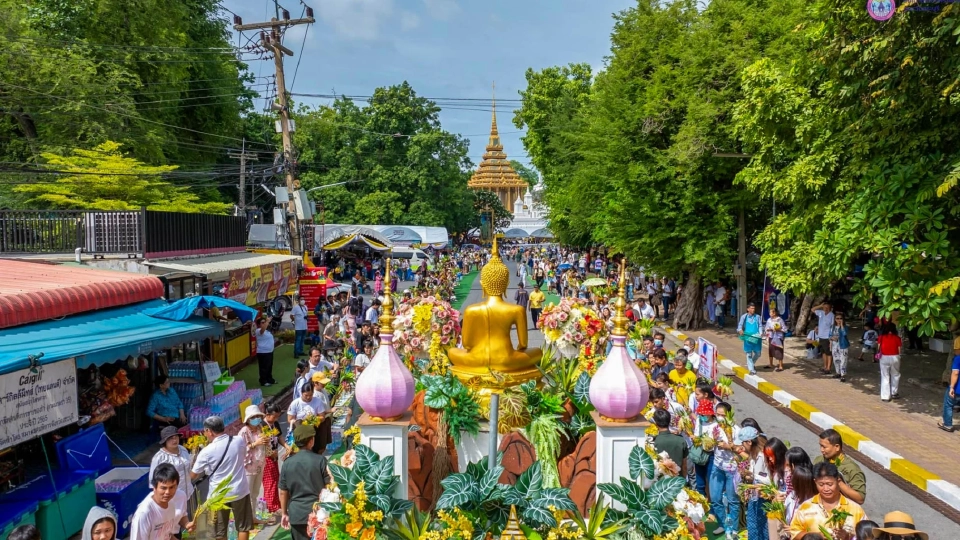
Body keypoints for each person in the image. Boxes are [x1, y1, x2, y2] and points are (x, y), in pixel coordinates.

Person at [190, 416, 253, 540]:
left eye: (205, 431)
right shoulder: (238, 440)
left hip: (218, 495)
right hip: (240, 490)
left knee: (219, 531)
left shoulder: (206, 451)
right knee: (243, 526)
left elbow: (193, 475)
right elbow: (243, 454)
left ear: (209, 431)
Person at [279, 424, 333, 540]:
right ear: (311, 441)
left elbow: (283, 492)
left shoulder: (287, 463)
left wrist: (284, 513)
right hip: (318, 513)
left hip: (296, 514)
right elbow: (329, 486)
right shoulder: (320, 460)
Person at [788, 463, 866, 539]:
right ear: (815, 482)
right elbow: (794, 533)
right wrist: (816, 536)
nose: (826, 489)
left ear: (838, 481)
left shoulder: (855, 509)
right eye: (821, 484)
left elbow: (867, 535)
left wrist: (849, 537)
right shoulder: (805, 507)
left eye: (830, 484)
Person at [132, 463, 193, 540]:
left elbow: (167, 535)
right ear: (154, 487)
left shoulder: (170, 503)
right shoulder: (144, 514)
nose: (167, 492)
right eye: (163, 488)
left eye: (172, 487)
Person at [708, 402, 740, 539]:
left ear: (729, 415)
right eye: (718, 415)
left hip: (732, 468)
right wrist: (710, 442)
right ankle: (722, 524)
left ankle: (733, 528)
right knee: (715, 498)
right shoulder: (713, 428)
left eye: (723, 415)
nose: (720, 418)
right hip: (717, 466)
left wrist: (728, 446)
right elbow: (708, 448)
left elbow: (741, 451)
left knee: (733, 500)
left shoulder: (736, 430)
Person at [812, 428, 866, 504]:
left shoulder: (852, 469)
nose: (821, 450)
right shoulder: (819, 460)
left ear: (837, 447)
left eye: (824, 447)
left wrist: (839, 482)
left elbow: (860, 499)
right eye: (820, 446)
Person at [238, 405, 270, 525]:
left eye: (258, 416)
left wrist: (266, 442)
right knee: (248, 493)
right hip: (248, 467)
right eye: (254, 417)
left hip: (259, 464)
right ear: (248, 419)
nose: (256, 419)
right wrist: (254, 444)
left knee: (255, 492)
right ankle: (248, 518)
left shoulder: (260, 428)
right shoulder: (243, 432)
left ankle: (253, 516)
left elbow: (265, 444)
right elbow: (240, 450)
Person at [737, 426, 770, 540]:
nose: (742, 446)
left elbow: (768, 479)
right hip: (755, 496)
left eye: (743, 442)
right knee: (753, 524)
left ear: (749, 442)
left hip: (763, 497)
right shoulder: (754, 455)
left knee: (762, 528)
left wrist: (752, 475)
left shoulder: (763, 456)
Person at [150, 426, 194, 510]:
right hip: (172, 498)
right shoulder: (159, 458)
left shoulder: (183, 449)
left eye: (176, 437)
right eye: (171, 438)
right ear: (165, 441)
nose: (174, 440)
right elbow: (153, 482)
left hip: (188, 493)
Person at [260, 402, 288, 517]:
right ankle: (271, 506)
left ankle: (276, 504)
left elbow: (279, 436)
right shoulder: (262, 425)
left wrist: (286, 446)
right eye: (274, 416)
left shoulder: (275, 423)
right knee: (270, 482)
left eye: (277, 417)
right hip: (266, 457)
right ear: (267, 414)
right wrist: (271, 454)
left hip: (274, 456)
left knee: (276, 480)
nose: (276, 419)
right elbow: (263, 444)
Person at [652, 409, 688, 477]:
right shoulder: (681, 440)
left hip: (660, 483)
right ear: (669, 421)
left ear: (656, 424)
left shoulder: (653, 442)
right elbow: (684, 466)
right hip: (677, 481)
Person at [877, 323, 902, 402]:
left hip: (884, 357)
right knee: (895, 374)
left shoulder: (881, 337)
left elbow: (878, 348)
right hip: (895, 357)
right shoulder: (897, 338)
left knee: (885, 376)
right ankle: (894, 393)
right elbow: (899, 350)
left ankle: (885, 396)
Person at [737, 303, 763, 375]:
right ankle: (751, 369)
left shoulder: (757, 317)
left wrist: (761, 333)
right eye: (751, 308)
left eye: (754, 308)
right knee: (749, 354)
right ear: (748, 309)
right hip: (748, 337)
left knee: (758, 353)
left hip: (756, 338)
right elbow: (740, 326)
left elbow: (760, 326)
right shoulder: (744, 317)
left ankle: (751, 363)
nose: (753, 310)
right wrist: (740, 330)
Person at [812, 302, 836, 375]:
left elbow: (832, 326)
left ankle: (828, 368)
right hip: (821, 336)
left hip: (827, 337)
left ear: (830, 308)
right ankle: (825, 366)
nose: (826, 309)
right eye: (824, 307)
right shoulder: (821, 313)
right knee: (823, 352)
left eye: (827, 308)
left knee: (829, 353)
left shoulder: (832, 315)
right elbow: (812, 309)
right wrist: (820, 305)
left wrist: (831, 337)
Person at [941, 348, 960, 432]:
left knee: (948, 404)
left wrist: (951, 387)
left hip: (958, 388)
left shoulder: (958, 358)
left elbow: (955, 373)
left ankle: (947, 424)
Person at [255, 317, 277, 387]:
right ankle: (263, 381)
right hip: (263, 352)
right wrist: (267, 321)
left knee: (269, 366)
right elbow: (262, 330)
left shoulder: (267, 331)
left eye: (265, 322)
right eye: (262, 322)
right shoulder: (258, 331)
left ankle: (269, 379)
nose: (264, 323)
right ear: (259, 324)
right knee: (264, 367)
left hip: (269, 351)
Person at [830, 314, 851, 382]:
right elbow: (829, 335)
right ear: (835, 319)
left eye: (840, 318)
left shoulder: (845, 327)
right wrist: (832, 338)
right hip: (834, 345)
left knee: (843, 360)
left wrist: (841, 325)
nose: (839, 320)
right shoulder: (832, 327)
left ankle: (843, 375)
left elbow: (844, 334)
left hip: (843, 345)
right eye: (837, 318)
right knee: (836, 360)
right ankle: (837, 372)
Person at [766, 307, 786, 371]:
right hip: (771, 336)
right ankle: (771, 364)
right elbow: (766, 328)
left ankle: (780, 365)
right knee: (770, 350)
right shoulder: (769, 320)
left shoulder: (780, 320)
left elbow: (785, 329)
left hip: (778, 337)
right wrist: (769, 331)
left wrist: (778, 329)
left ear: (774, 313)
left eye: (771, 312)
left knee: (779, 350)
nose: (770, 314)